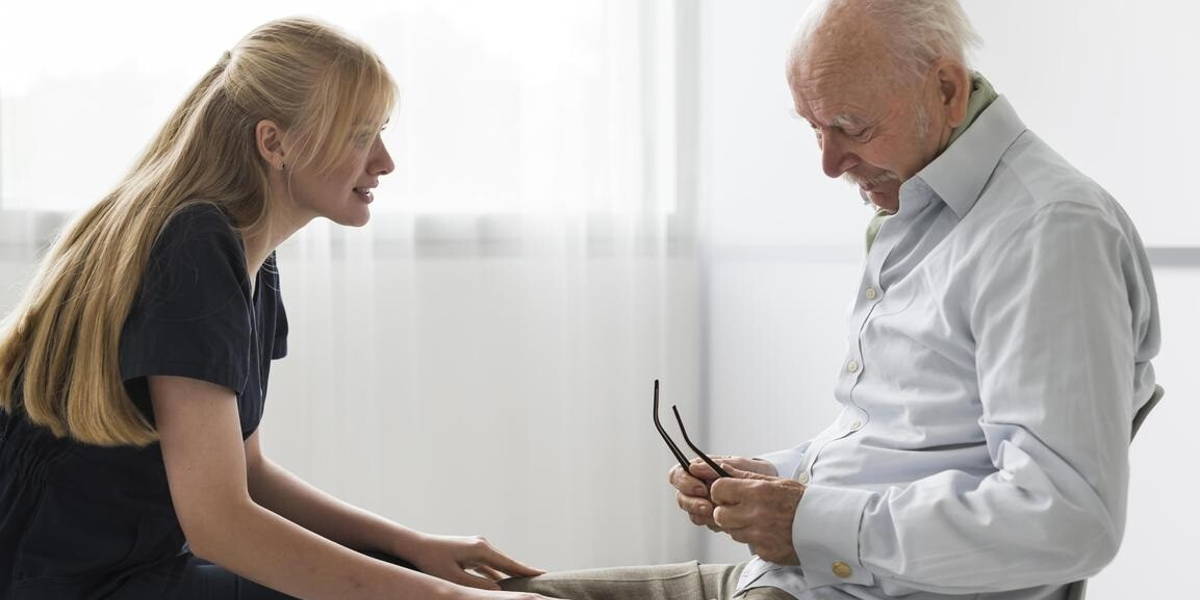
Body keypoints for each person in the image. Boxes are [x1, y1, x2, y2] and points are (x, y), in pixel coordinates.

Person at [502, 0, 1161, 599]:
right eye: (813, 127)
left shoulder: (1048, 231)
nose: (828, 162)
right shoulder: (926, 208)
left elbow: (1066, 521)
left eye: (850, 126)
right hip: (792, 579)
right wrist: (777, 482)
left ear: (947, 88)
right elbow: (906, 442)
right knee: (502, 595)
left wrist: (810, 520)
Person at [0, 17, 554, 600]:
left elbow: (250, 475)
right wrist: (449, 598)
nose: (385, 160)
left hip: (125, 568)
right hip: (65, 584)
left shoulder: (245, 256)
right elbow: (219, 525)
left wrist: (408, 545)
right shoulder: (195, 244)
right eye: (360, 134)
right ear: (274, 143)